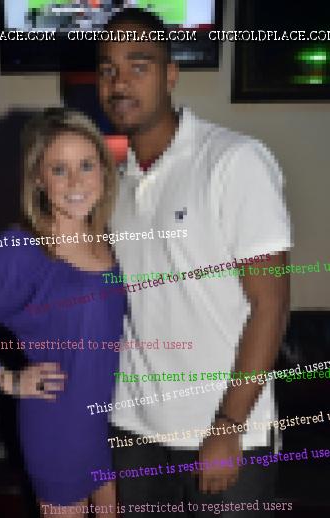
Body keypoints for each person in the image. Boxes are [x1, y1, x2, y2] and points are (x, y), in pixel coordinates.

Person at [96, 7, 292, 517]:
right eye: (108, 69)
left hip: (224, 432)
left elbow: (270, 305)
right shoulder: (111, 185)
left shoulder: (234, 160)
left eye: (138, 66)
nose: (120, 83)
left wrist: (229, 424)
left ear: (171, 75)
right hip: (134, 433)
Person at [0, 108, 125, 518]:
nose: (76, 182)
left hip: (110, 421)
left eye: (87, 165)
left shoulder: (106, 238)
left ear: (104, 171)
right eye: (59, 169)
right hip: (58, 427)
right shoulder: (19, 249)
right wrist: (7, 379)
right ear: (38, 178)